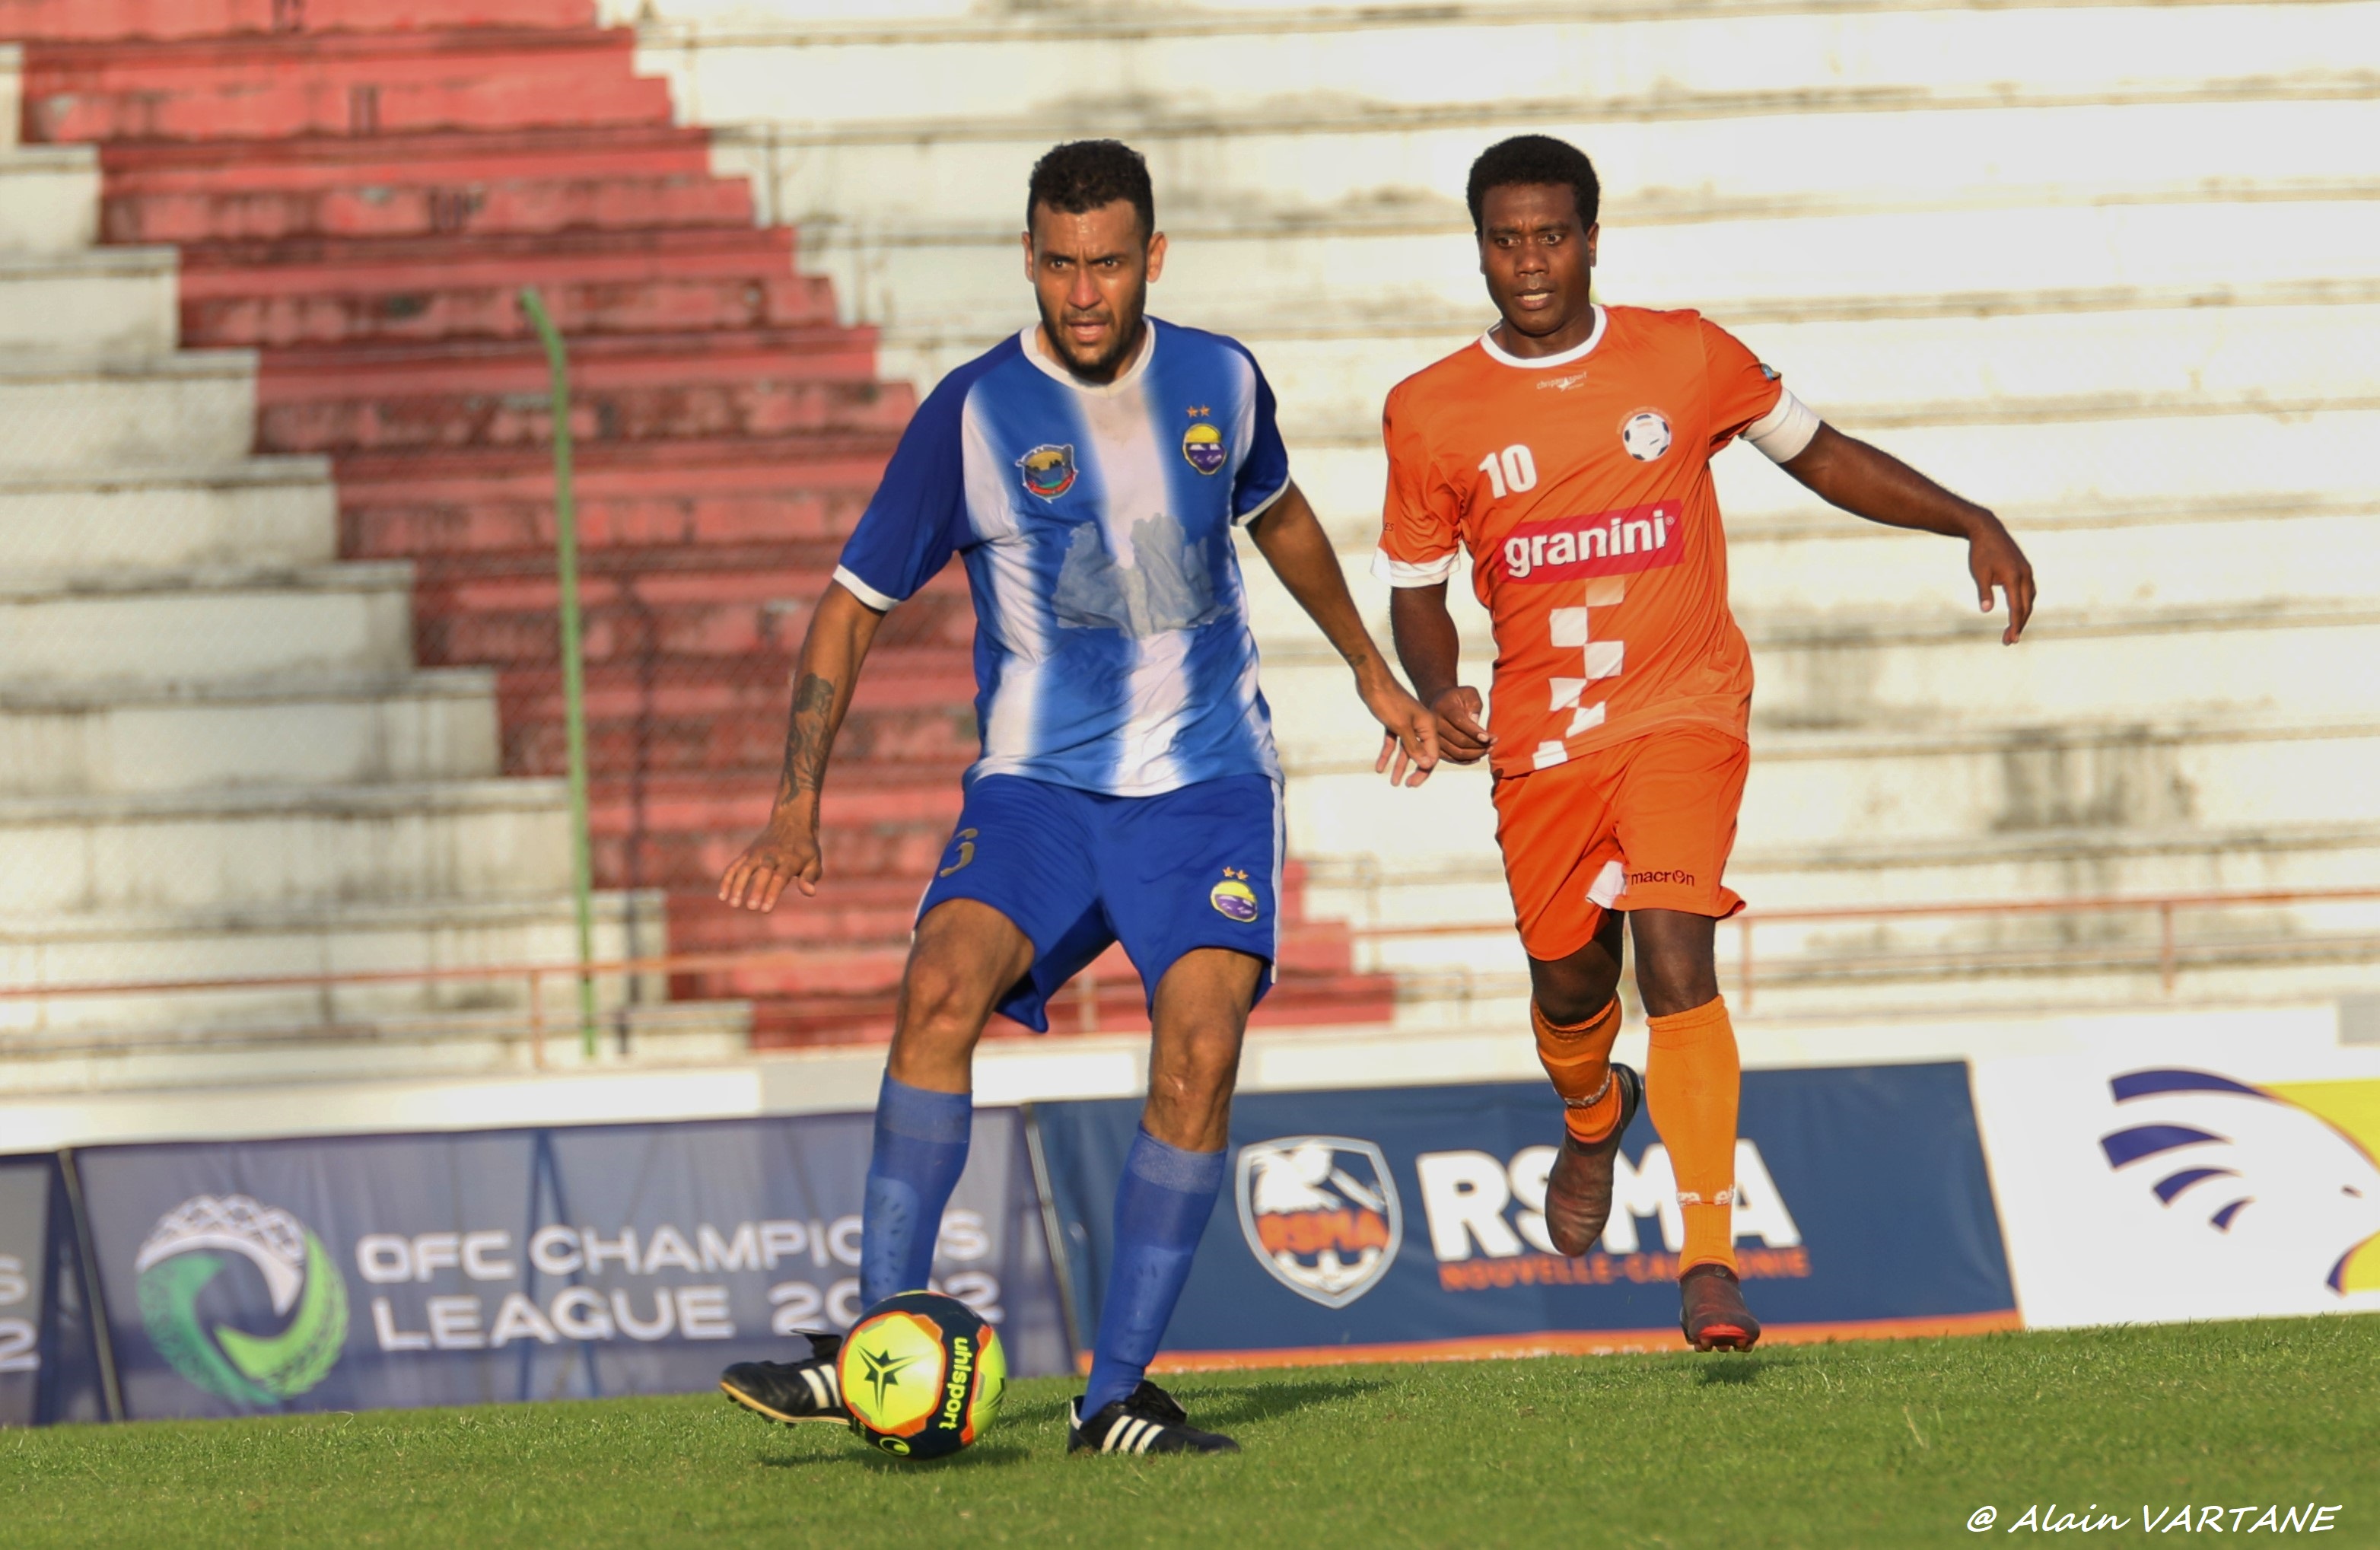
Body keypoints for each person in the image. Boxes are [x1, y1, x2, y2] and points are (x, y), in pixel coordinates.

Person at [713, 138, 1437, 1454]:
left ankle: (1114, 1397)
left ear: (1152, 257)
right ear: (1030, 259)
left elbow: (1275, 511)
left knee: (1200, 1049)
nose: (1083, 291)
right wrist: (793, 802)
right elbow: (848, 608)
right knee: (938, 987)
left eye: (1108, 263)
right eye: (1059, 264)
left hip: (1207, 786)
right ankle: (887, 1346)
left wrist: (1373, 675)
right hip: (1040, 789)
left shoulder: (1222, 376)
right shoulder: (975, 413)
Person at [1378, 135, 2035, 1351]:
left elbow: (1820, 452)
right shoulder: (1428, 411)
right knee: (1573, 978)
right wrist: (1440, 684)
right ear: (1479, 245)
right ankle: (1592, 1112)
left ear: (1591, 236)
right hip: (1545, 738)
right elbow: (1418, 586)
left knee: (1677, 953)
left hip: (1685, 708)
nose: (1530, 262)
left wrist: (1967, 516)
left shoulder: (1682, 354)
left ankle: (1708, 1259)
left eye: (1553, 234)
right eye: (1506, 238)